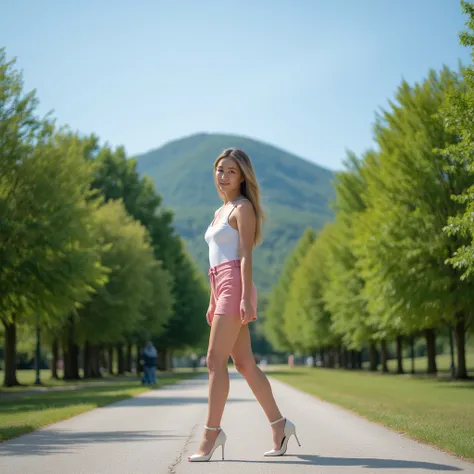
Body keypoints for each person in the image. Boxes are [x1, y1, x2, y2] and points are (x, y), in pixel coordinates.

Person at [188, 148, 300, 462]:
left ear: (242, 177)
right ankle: (280, 425)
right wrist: (212, 298)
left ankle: (211, 434)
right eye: (219, 170)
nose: (223, 176)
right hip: (219, 285)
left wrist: (243, 298)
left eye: (231, 171)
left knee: (213, 361)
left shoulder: (243, 208)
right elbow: (214, 261)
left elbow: (245, 257)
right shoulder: (220, 211)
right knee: (245, 365)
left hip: (235, 285)